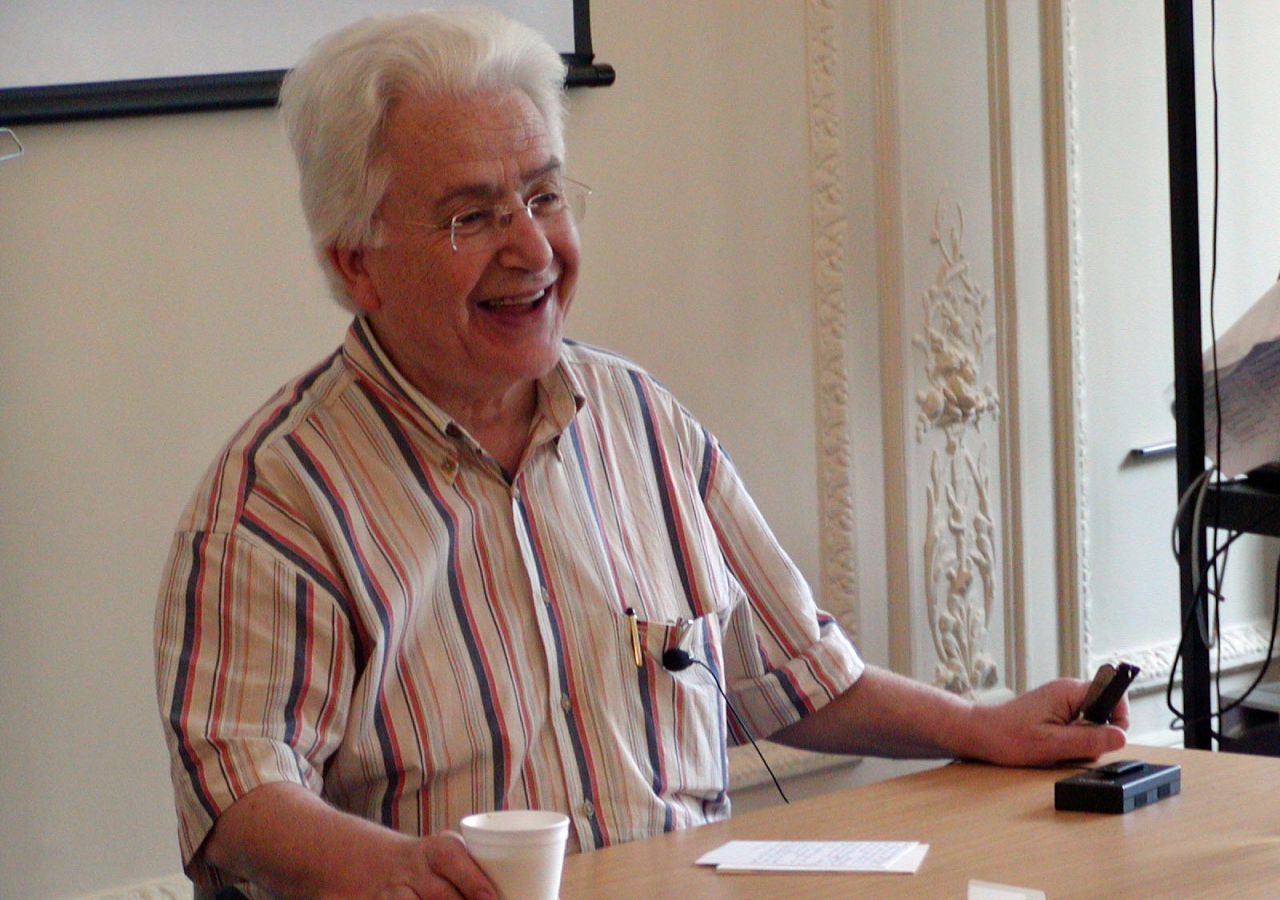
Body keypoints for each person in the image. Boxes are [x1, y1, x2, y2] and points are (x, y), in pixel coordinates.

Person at [154, 8, 1128, 900]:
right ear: (355, 261)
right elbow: (237, 796)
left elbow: (792, 672)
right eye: (471, 216)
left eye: (542, 195)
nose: (530, 249)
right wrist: (399, 874)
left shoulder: (639, 421)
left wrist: (979, 725)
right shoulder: (274, 504)